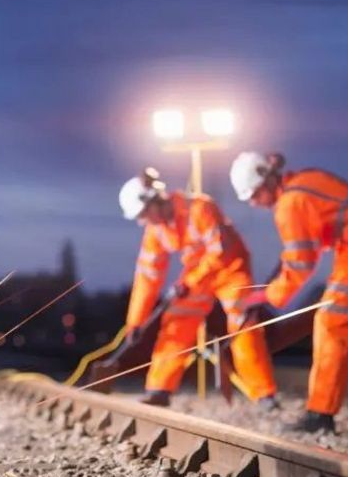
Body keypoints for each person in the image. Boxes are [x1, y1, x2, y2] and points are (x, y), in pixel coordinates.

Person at [229, 152, 348, 432]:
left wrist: (267, 297)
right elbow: (313, 239)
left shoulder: (290, 203)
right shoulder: (302, 182)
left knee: (331, 322)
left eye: (253, 195)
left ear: (267, 183)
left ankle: (320, 414)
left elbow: (300, 263)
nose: (253, 203)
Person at [118, 168, 277, 409]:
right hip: (197, 275)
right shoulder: (156, 230)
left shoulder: (200, 208)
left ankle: (264, 394)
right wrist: (136, 322)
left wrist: (189, 282)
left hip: (230, 269)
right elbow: (147, 276)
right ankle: (159, 389)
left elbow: (219, 251)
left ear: (156, 200)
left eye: (144, 214)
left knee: (242, 323)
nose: (144, 221)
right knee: (176, 320)